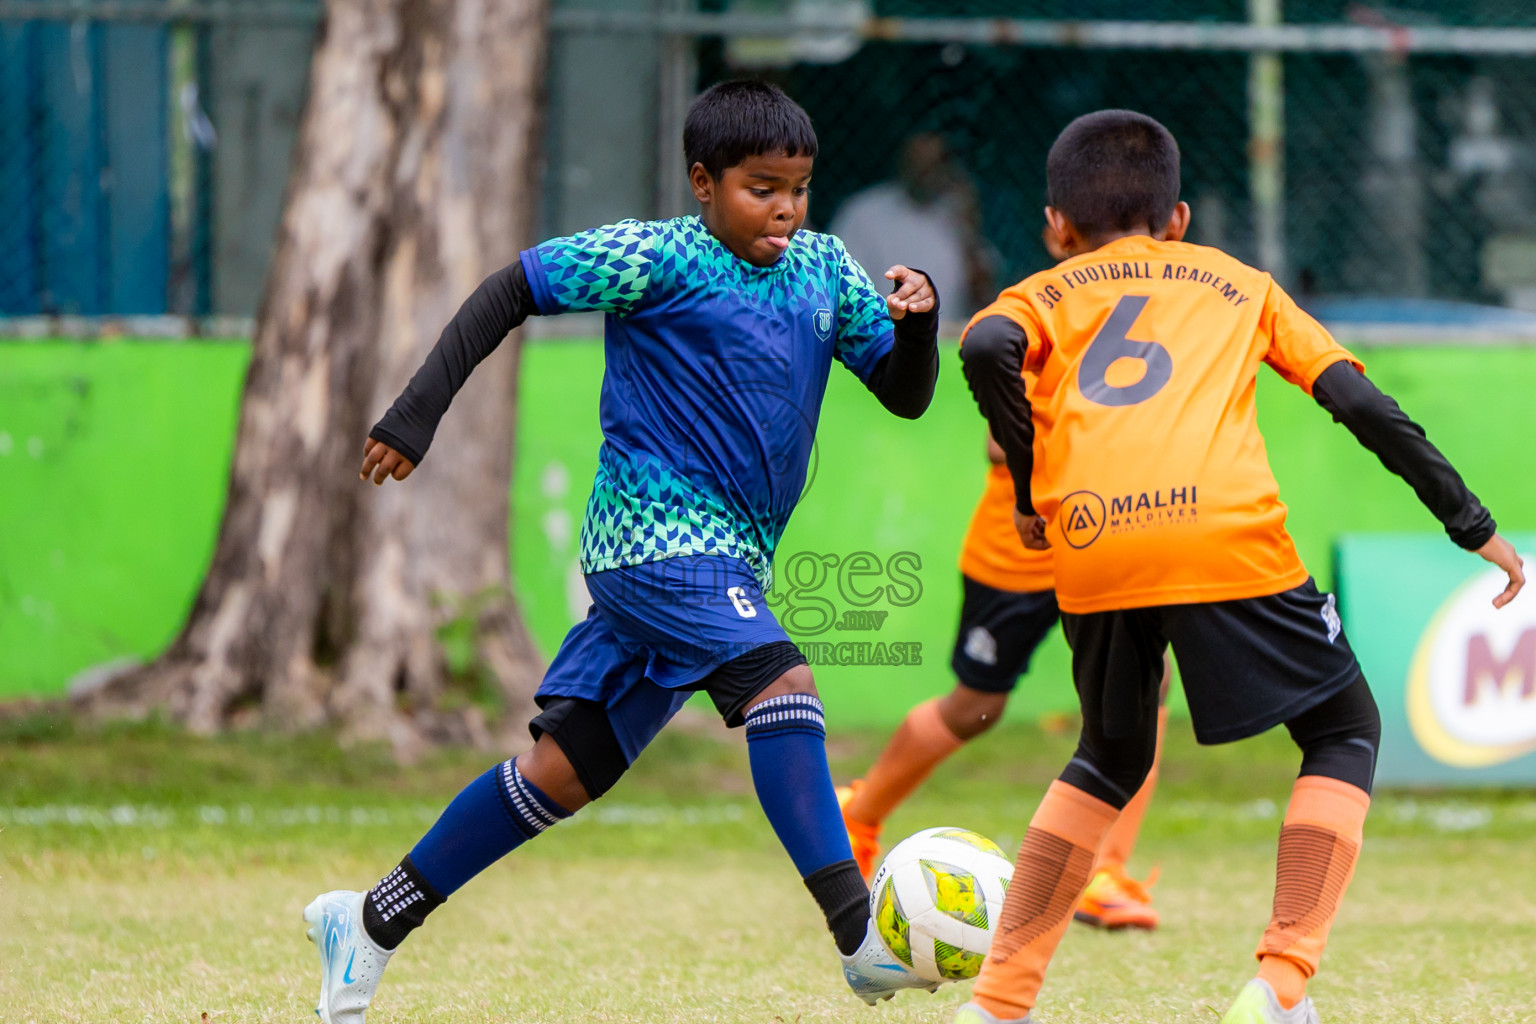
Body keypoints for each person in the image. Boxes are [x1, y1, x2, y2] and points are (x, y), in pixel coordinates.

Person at [301, 80, 945, 1023]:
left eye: (799, 189)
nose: (784, 208)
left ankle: (369, 921)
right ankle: (858, 938)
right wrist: (417, 411)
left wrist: (920, 324)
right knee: (782, 683)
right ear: (703, 182)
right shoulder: (652, 257)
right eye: (761, 187)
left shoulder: (826, 270)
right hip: (651, 541)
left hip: (727, 559)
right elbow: (510, 288)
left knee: (568, 770)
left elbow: (903, 391)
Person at [954, 109, 1525, 1024]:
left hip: (1095, 542)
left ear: (1056, 226)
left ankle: (997, 1004)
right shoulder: (1240, 283)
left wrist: (1029, 488)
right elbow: (1359, 401)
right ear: (1178, 219)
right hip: (1226, 535)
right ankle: (1282, 985)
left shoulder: (1044, 292)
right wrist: (1471, 523)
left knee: (1107, 756)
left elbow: (983, 347)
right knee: (1344, 730)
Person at [837, 427, 1171, 932]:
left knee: (1148, 683)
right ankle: (856, 820)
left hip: (1110, 538)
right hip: (1017, 552)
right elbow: (998, 443)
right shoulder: (1022, 345)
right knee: (975, 707)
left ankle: (1105, 874)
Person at [831, 132, 996, 331]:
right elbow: (838, 286)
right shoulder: (864, 213)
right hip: (880, 335)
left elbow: (985, 298)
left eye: (935, 163)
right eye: (920, 161)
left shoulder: (957, 213)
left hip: (946, 340)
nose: (927, 172)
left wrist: (969, 230)